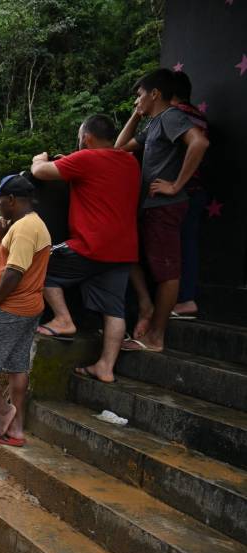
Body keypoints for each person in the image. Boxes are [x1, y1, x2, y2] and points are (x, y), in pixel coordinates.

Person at [30, 115, 141, 383]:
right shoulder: (130, 162)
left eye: (81, 137)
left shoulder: (86, 160)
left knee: (41, 264)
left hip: (91, 244)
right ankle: (105, 366)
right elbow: (99, 177)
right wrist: (71, 160)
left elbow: (40, 172)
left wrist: (40, 159)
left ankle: (63, 319)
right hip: (123, 250)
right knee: (114, 310)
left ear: (87, 138)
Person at [115, 68, 209, 352]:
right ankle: (147, 311)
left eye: (140, 95)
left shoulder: (172, 117)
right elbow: (119, 148)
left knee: (168, 273)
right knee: (132, 255)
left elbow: (200, 142)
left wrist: (175, 184)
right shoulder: (156, 122)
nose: (137, 100)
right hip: (151, 207)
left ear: (155, 94)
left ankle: (156, 337)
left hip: (166, 206)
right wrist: (137, 114)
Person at [0, 173, 51, 445]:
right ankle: (16, 430)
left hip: (12, 307)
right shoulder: (30, 225)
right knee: (17, 367)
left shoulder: (26, 228)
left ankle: (3, 412)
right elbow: (13, 260)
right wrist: (4, 237)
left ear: (12, 200)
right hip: (29, 307)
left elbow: (15, 271)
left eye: (0, 199)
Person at [170, 70, 209, 318]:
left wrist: (175, 185)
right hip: (197, 190)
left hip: (180, 192)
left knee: (172, 248)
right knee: (188, 245)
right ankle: (186, 298)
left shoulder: (177, 115)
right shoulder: (199, 115)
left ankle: (180, 299)